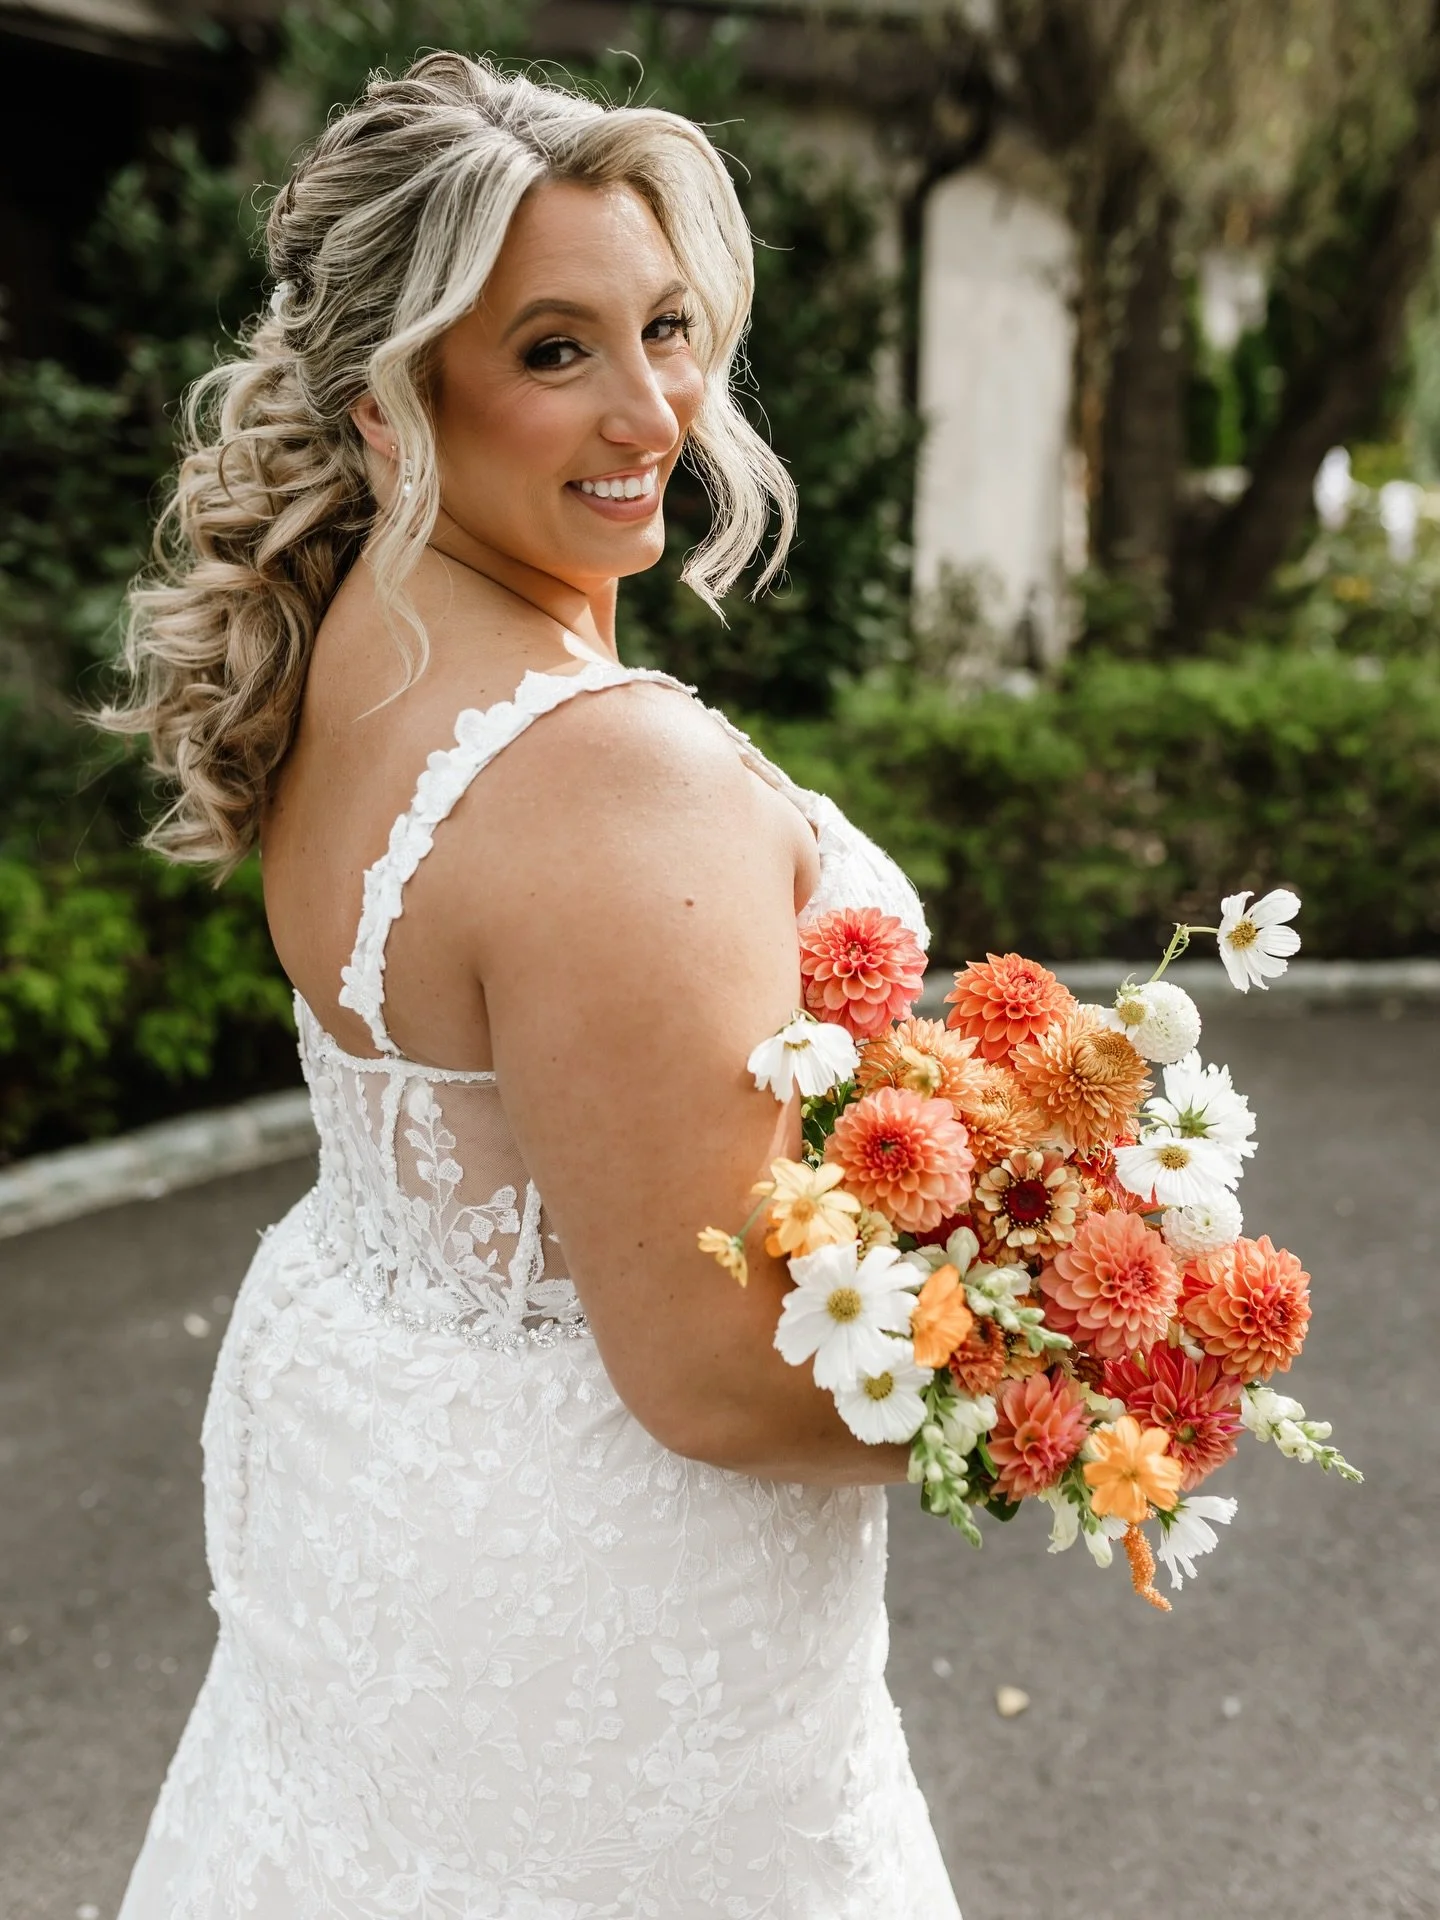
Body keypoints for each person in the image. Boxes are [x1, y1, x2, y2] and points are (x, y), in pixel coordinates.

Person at [104, 52, 962, 1919]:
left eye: (667, 327)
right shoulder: (608, 776)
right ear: (392, 407)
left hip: (399, 1518)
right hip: (620, 1614)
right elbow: (714, 1377)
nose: (653, 409)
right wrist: (1071, 1374)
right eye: (554, 350)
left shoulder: (356, 648)